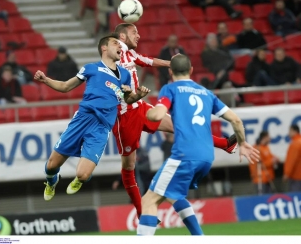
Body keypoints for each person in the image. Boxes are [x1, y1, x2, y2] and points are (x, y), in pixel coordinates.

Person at [110, 23, 238, 220]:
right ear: (122, 36)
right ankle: (140, 209)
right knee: (129, 166)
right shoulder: (112, 58)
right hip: (124, 116)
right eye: (134, 32)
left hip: (140, 108)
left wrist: (172, 64)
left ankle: (224, 144)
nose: (139, 34)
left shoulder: (131, 55)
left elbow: (149, 61)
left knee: (180, 126)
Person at [137, 54, 260, 236]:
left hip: (184, 155)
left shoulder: (170, 89)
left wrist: (144, 113)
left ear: (170, 71)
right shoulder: (207, 93)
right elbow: (235, 119)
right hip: (206, 158)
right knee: (172, 194)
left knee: (148, 200)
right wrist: (241, 143)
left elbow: (156, 116)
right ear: (191, 70)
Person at [35, 33, 150, 201]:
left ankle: (80, 179)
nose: (120, 47)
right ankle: (52, 181)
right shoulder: (91, 68)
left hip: (102, 127)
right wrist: (46, 80)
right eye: (115, 43)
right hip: (83, 119)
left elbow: (127, 99)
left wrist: (138, 95)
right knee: (52, 166)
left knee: (82, 175)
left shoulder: (124, 75)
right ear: (104, 48)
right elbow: (66, 86)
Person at [283, 124, 301, 192]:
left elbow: (291, 160)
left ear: (294, 131)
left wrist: (287, 173)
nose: (288, 133)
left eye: (290, 131)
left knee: (295, 196)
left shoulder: (295, 144)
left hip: (296, 176)